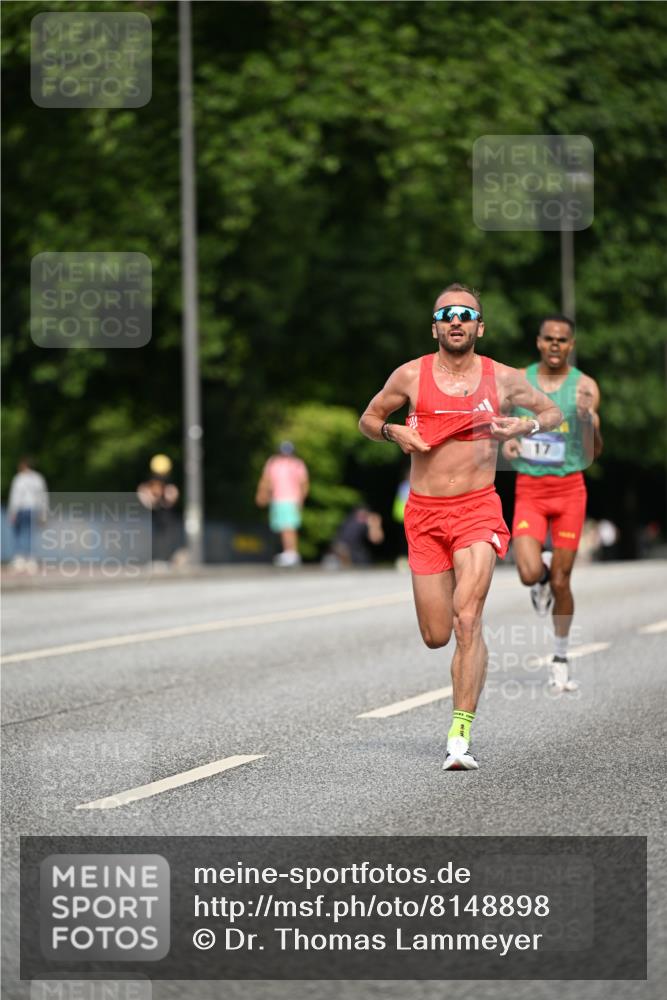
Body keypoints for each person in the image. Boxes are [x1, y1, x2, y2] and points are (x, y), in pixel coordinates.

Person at [359, 283, 562, 771]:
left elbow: (552, 412)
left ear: (479, 327)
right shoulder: (410, 375)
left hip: (477, 509)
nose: (456, 320)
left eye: (466, 315)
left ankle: (459, 734)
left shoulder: (503, 378)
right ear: (435, 327)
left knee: (467, 619)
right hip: (424, 515)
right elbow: (368, 418)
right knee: (436, 634)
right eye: (446, 314)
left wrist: (525, 426)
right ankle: (464, 678)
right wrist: (392, 431)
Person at [502, 315, 602, 693]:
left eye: (563, 339)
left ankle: (560, 658)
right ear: (539, 342)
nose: (556, 345)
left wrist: (587, 422)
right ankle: (539, 579)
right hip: (530, 489)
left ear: (571, 345)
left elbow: (595, 450)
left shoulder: (585, 387)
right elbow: (501, 425)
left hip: (569, 490)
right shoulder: (519, 380)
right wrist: (507, 443)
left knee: (563, 581)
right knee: (529, 573)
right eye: (549, 338)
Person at [256, 441, 309, 567]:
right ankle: (288, 552)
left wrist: (301, 499)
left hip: (291, 499)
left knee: (288, 527)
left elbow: (304, 483)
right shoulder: (273, 463)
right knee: (281, 526)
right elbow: (266, 480)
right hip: (277, 499)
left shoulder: (297, 464)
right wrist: (262, 494)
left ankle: (292, 553)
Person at [7, 457, 49, 571]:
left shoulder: (19, 478)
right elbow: (43, 496)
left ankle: (20, 559)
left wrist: (12, 512)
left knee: (19, 533)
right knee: (30, 534)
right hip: (34, 509)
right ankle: (31, 560)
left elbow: (16, 496)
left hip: (21, 509)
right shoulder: (38, 478)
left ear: (24, 465)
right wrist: (44, 513)